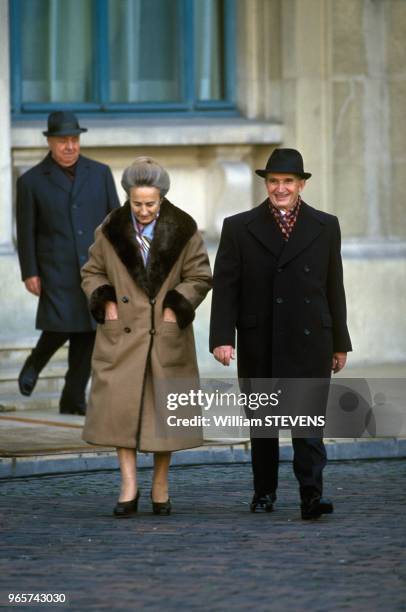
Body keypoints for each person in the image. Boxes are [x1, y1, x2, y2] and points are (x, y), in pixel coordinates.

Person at [209, 148, 352, 519]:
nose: (280, 188)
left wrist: (340, 342)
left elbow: (334, 286)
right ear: (266, 184)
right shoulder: (238, 227)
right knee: (264, 425)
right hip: (260, 338)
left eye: (288, 181)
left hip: (310, 340)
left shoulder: (326, 226)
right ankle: (264, 492)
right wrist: (222, 337)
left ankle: (311, 495)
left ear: (301, 184)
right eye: (274, 181)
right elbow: (226, 287)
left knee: (308, 425)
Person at [81, 157, 212, 517]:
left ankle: (160, 482)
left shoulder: (184, 229)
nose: (143, 211)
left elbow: (199, 276)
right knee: (119, 412)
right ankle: (128, 485)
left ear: (162, 199)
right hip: (121, 334)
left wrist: (176, 307)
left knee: (163, 414)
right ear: (128, 197)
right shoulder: (109, 228)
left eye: (150, 204)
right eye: (137, 203)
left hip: (164, 335)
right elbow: (91, 272)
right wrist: (104, 299)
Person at [16, 111, 120, 415]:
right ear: (50, 143)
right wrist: (30, 271)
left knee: (88, 331)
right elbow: (26, 232)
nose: (70, 146)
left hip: (96, 268)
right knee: (59, 324)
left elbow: (115, 221)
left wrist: (120, 265)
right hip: (55, 269)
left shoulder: (100, 173)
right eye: (63, 141)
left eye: (74, 140)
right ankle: (35, 363)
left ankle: (72, 399)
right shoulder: (31, 181)